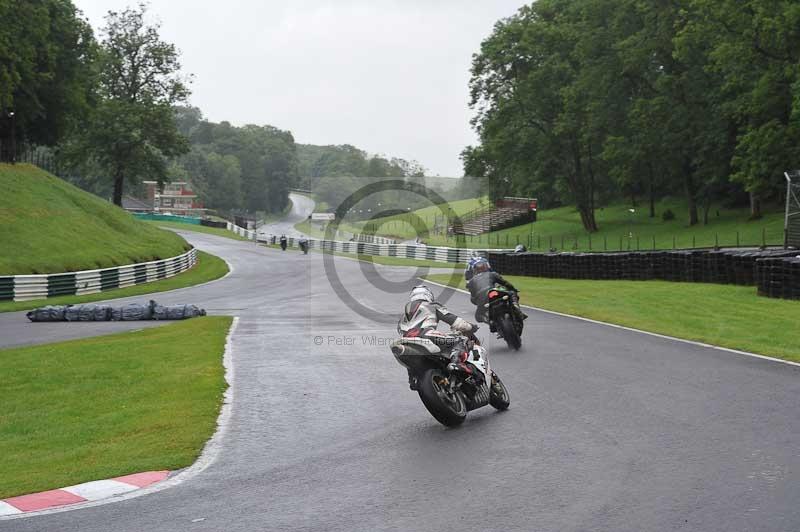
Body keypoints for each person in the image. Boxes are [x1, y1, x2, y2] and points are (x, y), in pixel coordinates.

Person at [397, 285, 479, 389]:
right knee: (461, 340)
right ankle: (456, 363)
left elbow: (400, 330)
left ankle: (413, 378)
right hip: (426, 335)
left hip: (406, 341)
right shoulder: (432, 305)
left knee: (409, 354)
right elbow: (456, 322)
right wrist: (471, 327)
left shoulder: (403, 315)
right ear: (428, 295)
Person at [466, 258, 526, 331]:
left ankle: (489, 321)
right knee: (512, 293)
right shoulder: (492, 274)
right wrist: (513, 289)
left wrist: (478, 301)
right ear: (487, 267)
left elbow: (473, 297)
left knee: (478, 316)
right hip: (494, 293)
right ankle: (516, 307)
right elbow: (505, 283)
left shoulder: (471, 281)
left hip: (483, 299)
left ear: (474, 270)